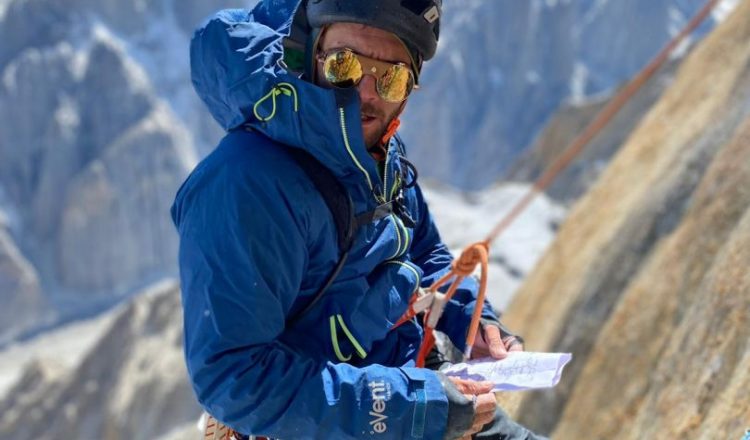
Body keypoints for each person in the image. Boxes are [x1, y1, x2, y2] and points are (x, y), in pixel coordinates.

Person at [172, 0, 545, 438]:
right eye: (344, 65)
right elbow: (234, 378)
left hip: (416, 386)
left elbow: (422, 250)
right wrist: (415, 407)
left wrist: (472, 322)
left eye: (392, 77)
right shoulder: (247, 184)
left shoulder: (375, 152)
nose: (366, 93)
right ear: (306, 54)